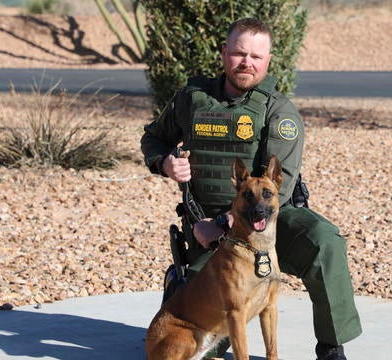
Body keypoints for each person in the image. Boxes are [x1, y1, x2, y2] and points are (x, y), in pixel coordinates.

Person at [140, 18, 362, 360]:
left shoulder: (278, 110)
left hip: (270, 222)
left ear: (268, 60)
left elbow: (280, 184)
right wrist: (164, 162)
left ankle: (331, 346)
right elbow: (154, 137)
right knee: (203, 345)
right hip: (209, 236)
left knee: (325, 241)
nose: (247, 62)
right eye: (240, 53)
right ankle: (180, 286)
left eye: (256, 56)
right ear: (224, 53)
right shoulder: (192, 99)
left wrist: (226, 220)